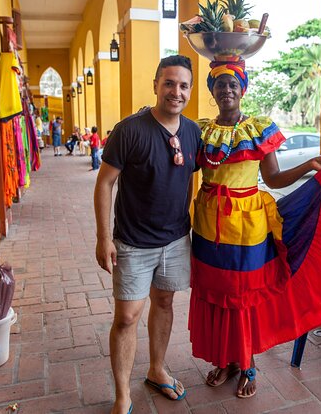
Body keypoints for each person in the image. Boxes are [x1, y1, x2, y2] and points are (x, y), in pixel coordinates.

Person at [189, 59, 321, 398]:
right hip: (209, 224)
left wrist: (310, 165)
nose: (226, 90)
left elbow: (273, 179)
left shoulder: (258, 129)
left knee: (242, 296)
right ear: (212, 91)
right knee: (216, 292)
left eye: (232, 85)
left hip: (248, 226)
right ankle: (225, 360)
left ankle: (247, 364)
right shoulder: (200, 131)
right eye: (220, 85)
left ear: (242, 90)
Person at [94, 55, 201, 414]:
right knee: (126, 317)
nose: (176, 91)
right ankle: (122, 394)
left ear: (190, 90)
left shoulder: (192, 132)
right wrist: (103, 237)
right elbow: (105, 182)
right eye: (169, 83)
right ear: (156, 85)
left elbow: (189, 178)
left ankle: (157, 369)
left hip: (174, 239)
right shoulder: (130, 130)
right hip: (133, 242)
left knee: (165, 303)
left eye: (183, 85)